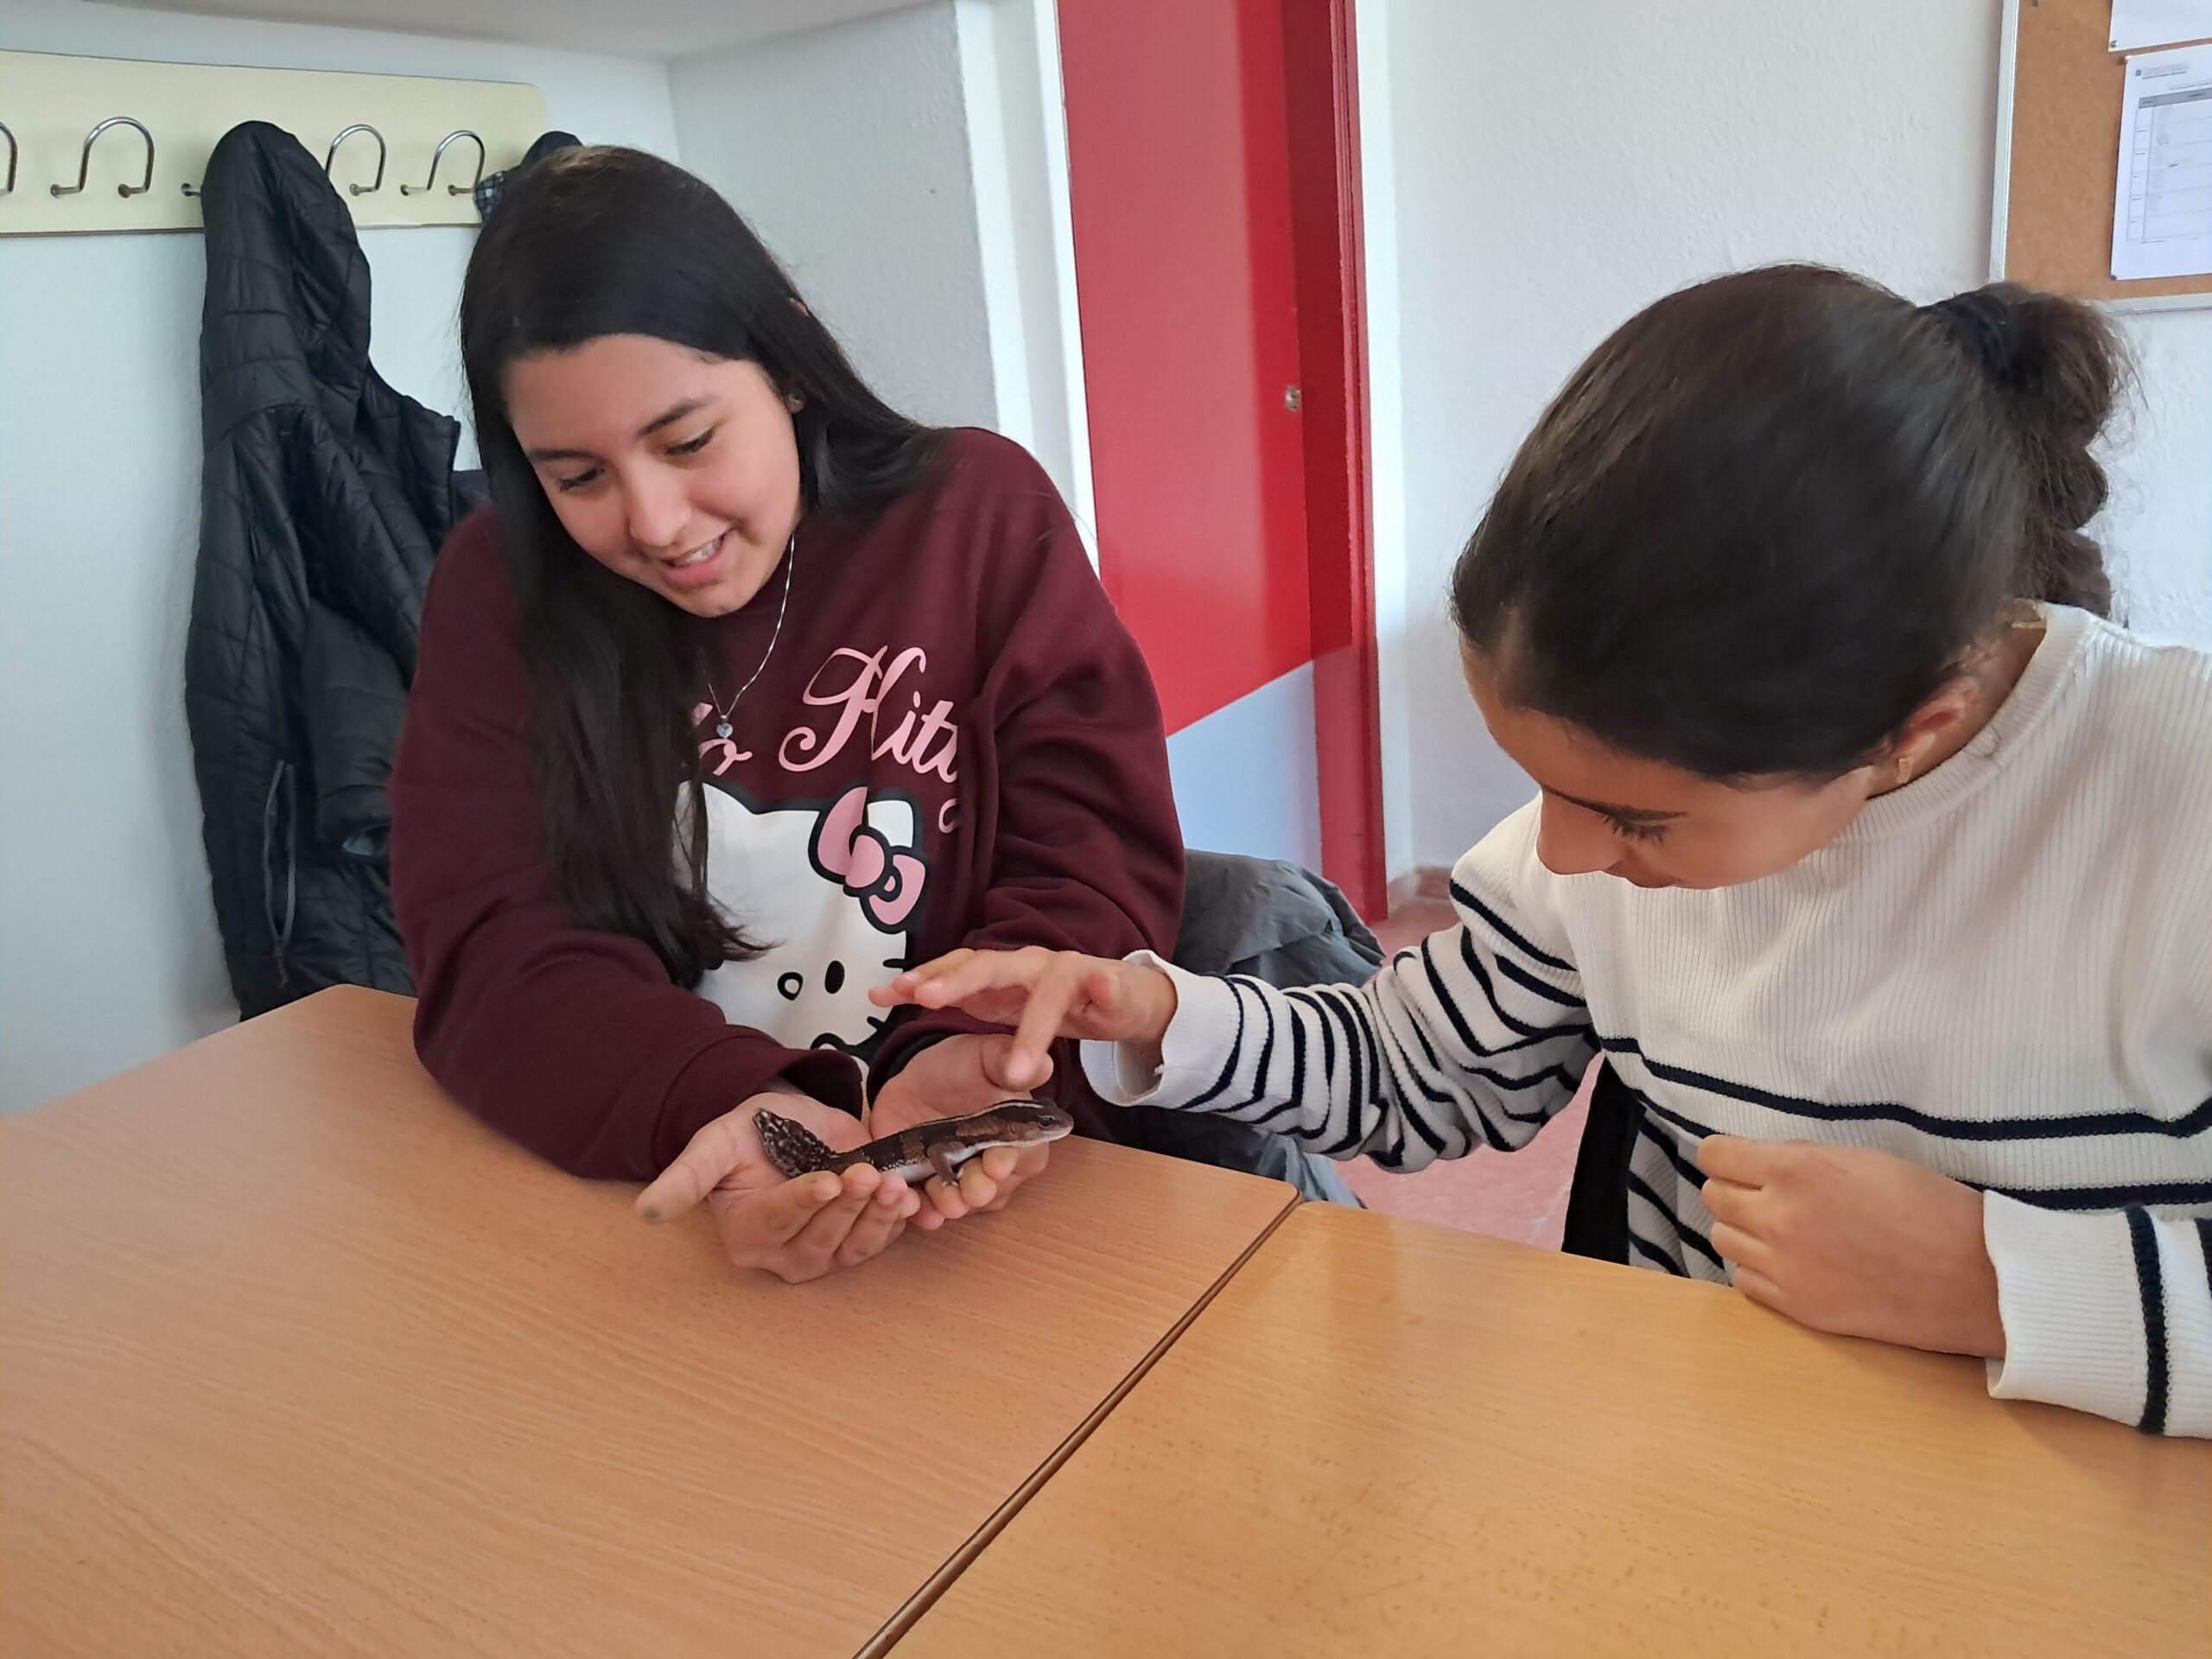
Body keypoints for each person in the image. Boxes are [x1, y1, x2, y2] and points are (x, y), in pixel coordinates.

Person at [874, 266, 2212, 1436]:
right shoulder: (1584, 855)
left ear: (1915, 729)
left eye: (1639, 821)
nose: (1560, 859)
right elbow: (1414, 1068)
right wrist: (1159, 1012)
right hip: (1715, 1463)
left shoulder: (2174, 807)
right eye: (1542, 789)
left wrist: (1995, 1287)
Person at [390, 147, 1183, 1282]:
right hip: (666, 1197)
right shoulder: (498, 590)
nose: (656, 522)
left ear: (792, 364)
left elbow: (1092, 861)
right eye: (577, 477)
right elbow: (493, 951)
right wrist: (732, 1106)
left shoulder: (977, 515)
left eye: (688, 442)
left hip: (998, 1216)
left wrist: (975, 1050)